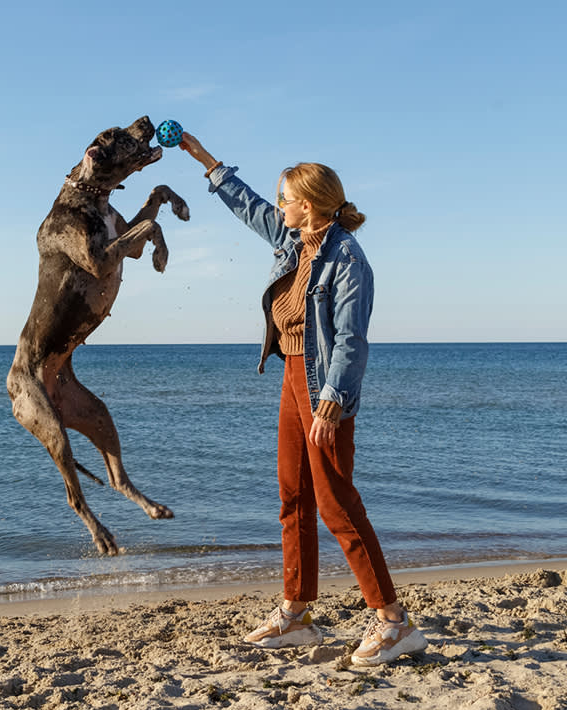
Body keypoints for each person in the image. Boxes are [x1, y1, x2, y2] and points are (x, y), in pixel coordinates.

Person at [179, 132, 427, 666]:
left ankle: (395, 621)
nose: (279, 207)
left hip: (323, 389)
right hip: (293, 377)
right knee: (292, 496)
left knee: (337, 502)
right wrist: (201, 156)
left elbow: (351, 339)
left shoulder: (347, 259)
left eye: (285, 198)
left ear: (306, 205)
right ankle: (297, 613)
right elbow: (246, 204)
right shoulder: (292, 239)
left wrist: (332, 401)